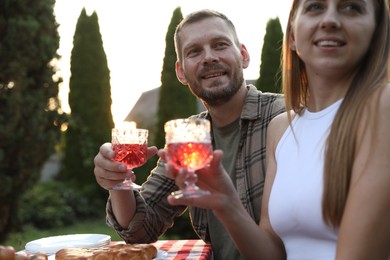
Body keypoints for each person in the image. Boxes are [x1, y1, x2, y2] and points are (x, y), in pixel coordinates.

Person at [165, 0, 390, 259]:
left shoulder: (382, 106)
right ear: (293, 35)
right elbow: (273, 253)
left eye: (352, 7)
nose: (329, 20)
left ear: (376, 32)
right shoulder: (282, 128)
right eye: (315, 7)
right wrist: (227, 204)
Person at [93, 9, 285, 260]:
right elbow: (141, 230)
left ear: (244, 55)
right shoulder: (185, 138)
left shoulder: (286, 117)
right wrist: (117, 181)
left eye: (220, 45)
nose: (208, 57)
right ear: (181, 72)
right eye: (194, 51)